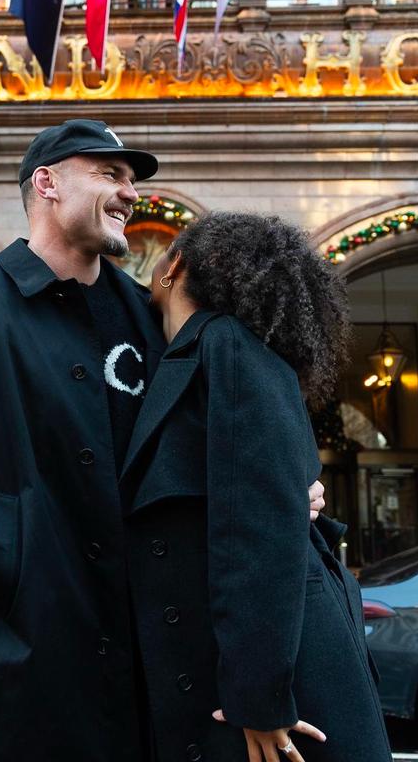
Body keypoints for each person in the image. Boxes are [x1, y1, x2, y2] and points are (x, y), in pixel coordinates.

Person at [0, 120, 327, 762]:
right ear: (46, 183)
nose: (129, 192)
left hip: (144, 652)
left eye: (132, 181)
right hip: (8, 650)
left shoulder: (153, 318)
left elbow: (215, 447)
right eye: (109, 173)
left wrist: (281, 490)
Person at [120, 211, 392, 762]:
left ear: (175, 267)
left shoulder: (229, 344)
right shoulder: (198, 353)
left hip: (286, 681)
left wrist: (260, 697)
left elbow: (260, 530)